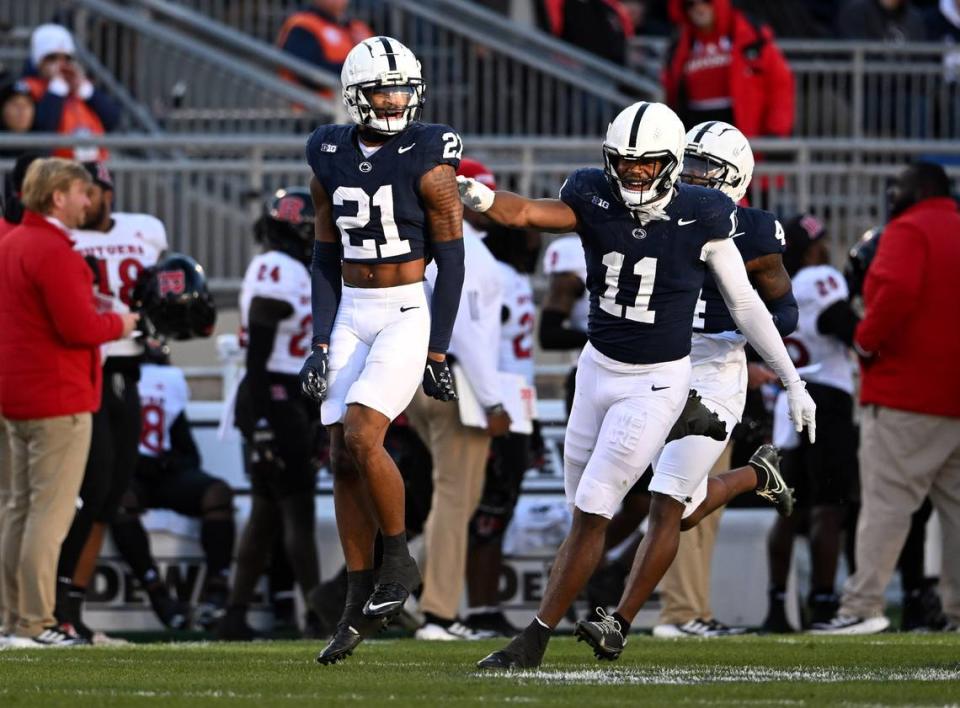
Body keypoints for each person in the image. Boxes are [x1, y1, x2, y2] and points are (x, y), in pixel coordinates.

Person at [458, 100, 815, 669]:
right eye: (625, 163)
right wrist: (477, 198)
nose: (635, 175)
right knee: (598, 507)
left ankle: (557, 634)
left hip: (675, 375)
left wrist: (791, 378)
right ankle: (756, 475)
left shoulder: (712, 218)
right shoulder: (593, 193)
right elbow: (525, 213)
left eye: (649, 165)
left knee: (641, 506)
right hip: (600, 368)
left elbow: (758, 306)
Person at [298, 35, 465, 664]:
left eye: (401, 89)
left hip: (403, 310)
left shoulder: (430, 153)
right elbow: (321, 255)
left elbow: (451, 259)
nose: (393, 100)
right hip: (349, 309)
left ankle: (398, 561)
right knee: (341, 453)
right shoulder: (327, 150)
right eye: (380, 90)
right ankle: (356, 595)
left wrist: (439, 350)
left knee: (366, 433)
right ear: (354, 96)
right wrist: (320, 340)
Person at [649, 121, 799, 639]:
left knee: (683, 499)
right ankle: (677, 607)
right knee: (658, 495)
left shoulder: (755, 232)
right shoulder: (653, 207)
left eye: (703, 167)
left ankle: (684, 612)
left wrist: (735, 329)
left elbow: (784, 313)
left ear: (735, 177)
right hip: (649, 365)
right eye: (685, 162)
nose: (689, 174)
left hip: (713, 373)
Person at [813, 162, 960, 635]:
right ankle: (956, 615)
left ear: (917, 191)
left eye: (898, 189)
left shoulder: (908, 230)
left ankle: (862, 606)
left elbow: (893, 291)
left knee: (886, 506)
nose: (892, 197)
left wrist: (865, 341)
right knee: (957, 516)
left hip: (906, 394)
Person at [0, 157, 137, 647]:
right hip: (57, 396)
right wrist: (122, 323)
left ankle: (13, 619)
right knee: (47, 515)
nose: (89, 201)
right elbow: (78, 329)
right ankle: (35, 622)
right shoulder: (52, 249)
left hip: (16, 394)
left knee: (16, 509)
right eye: (82, 192)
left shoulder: (11, 241)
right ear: (58, 196)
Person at [55, 161, 168, 642]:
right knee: (87, 492)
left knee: (108, 498)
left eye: (96, 189)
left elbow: (162, 292)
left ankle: (71, 611)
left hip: (130, 369)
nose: (93, 199)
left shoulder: (144, 231)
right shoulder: (62, 240)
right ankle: (53, 607)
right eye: (84, 190)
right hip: (86, 369)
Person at [403, 158, 508, 641]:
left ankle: (397, 591)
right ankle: (438, 613)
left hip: (417, 381)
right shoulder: (473, 256)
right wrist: (493, 401)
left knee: (451, 499)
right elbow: (465, 336)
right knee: (453, 500)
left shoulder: (424, 244)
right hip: (457, 384)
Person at [218, 187, 326, 641]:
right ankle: (318, 617)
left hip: (281, 394)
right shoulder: (277, 267)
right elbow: (261, 339)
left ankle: (235, 615)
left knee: (265, 513)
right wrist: (262, 417)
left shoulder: (288, 265)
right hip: (273, 394)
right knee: (297, 510)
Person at [761, 214, 860, 631]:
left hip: (788, 400)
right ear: (813, 250)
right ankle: (822, 602)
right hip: (826, 397)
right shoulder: (820, 277)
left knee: (788, 510)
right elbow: (838, 322)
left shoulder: (771, 288)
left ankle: (778, 605)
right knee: (829, 507)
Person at [464, 164, 541, 638]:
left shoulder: (506, 274)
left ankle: (481, 607)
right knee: (485, 513)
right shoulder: (489, 270)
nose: (530, 237)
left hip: (512, 401)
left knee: (494, 509)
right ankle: (477, 609)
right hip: (491, 401)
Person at [110, 340, 235, 632]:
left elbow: (190, 453)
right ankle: (157, 593)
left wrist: (166, 463)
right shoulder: (116, 383)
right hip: (127, 473)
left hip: (160, 475)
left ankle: (217, 590)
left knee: (217, 494)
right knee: (119, 499)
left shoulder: (165, 388)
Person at [662, 0, 794, 139]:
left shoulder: (750, 36)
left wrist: (776, 130)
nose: (699, 8)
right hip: (695, 127)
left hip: (740, 128)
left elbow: (780, 84)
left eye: (705, 2)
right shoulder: (681, 44)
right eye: (690, 4)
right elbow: (670, 88)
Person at [21, 24, 120, 161]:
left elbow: (112, 119)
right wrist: (56, 89)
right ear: (39, 62)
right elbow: (43, 129)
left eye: (66, 58)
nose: (61, 64)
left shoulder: (79, 88)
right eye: (52, 58)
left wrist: (85, 89)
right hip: (55, 173)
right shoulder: (27, 89)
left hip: (91, 170)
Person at [277, 0, 373, 91]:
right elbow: (308, 73)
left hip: (347, 104)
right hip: (309, 105)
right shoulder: (303, 25)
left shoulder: (357, 29)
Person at [835, 0, 927, 41]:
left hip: (904, 79)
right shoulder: (856, 11)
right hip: (866, 79)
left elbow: (920, 61)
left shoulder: (914, 17)